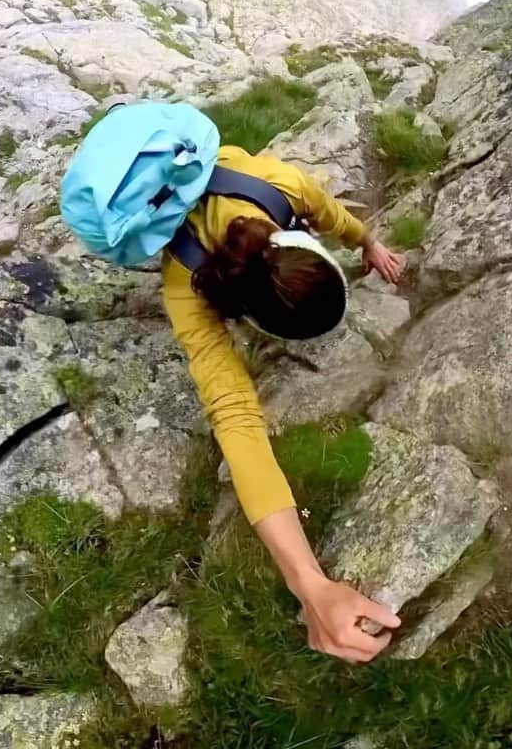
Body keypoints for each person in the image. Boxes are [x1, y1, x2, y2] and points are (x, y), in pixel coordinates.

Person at [162, 142, 405, 663]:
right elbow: (233, 416)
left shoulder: (283, 184)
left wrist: (369, 242)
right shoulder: (184, 281)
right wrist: (308, 582)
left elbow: (334, 215)